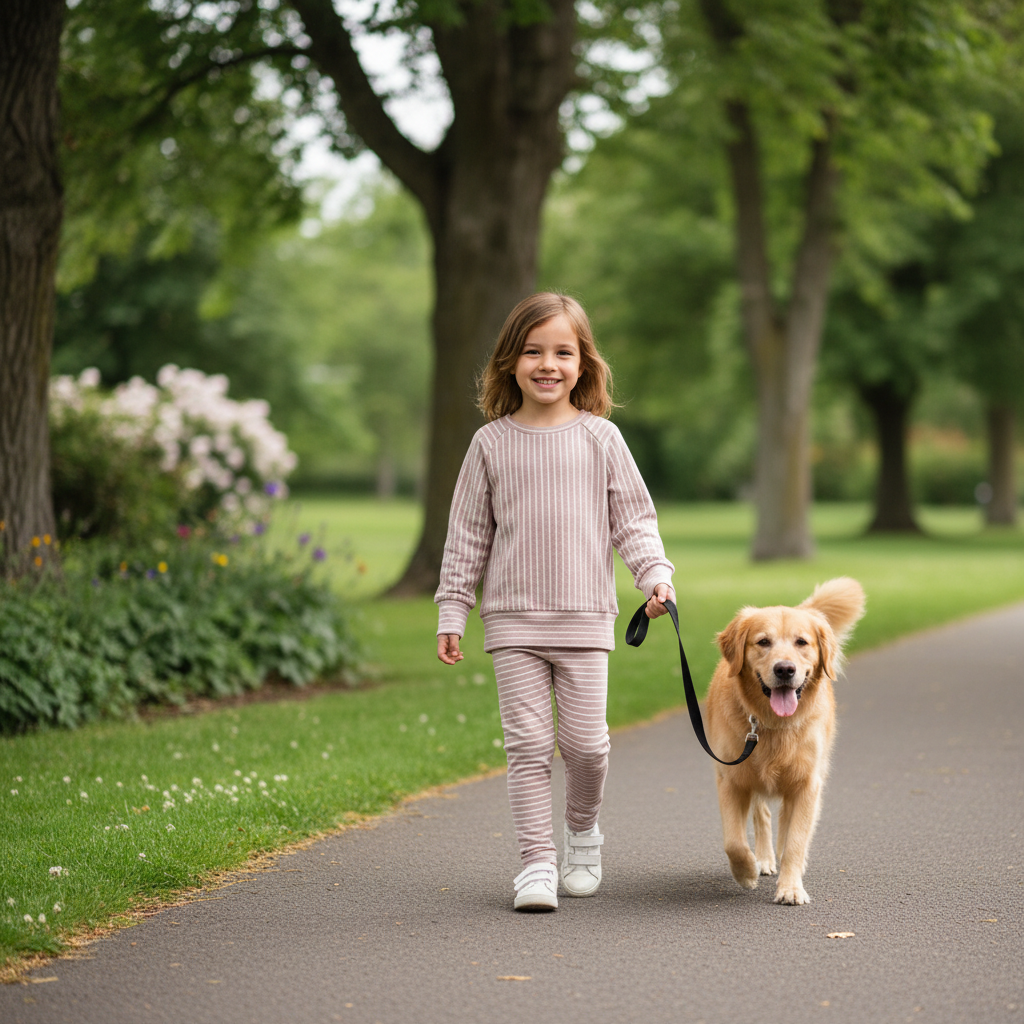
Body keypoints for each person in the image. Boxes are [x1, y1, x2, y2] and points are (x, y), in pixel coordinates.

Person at [435, 293, 675, 911]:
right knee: (527, 746)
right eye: (533, 351)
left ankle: (582, 834)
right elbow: (466, 536)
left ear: (584, 363)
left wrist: (654, 577)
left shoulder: (602, 438)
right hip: (512, 622)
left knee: (587, 747)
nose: (548, 364)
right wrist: (452, 609)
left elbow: (634, 522)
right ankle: (536, 865)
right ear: (509, 363)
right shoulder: (489, 445)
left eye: (562, 352)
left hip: (586, 620)